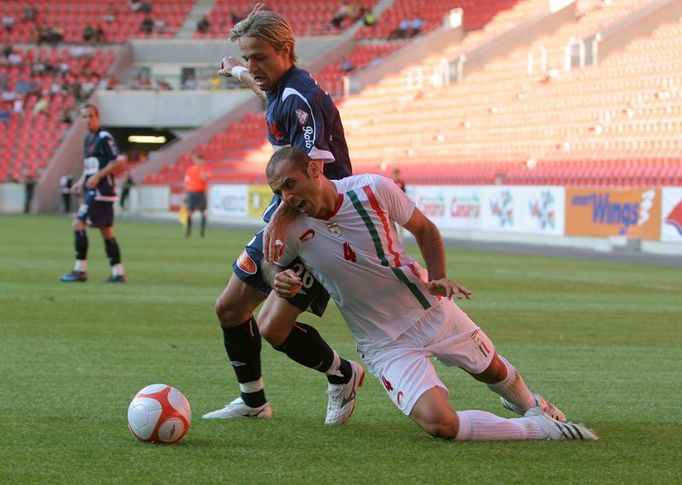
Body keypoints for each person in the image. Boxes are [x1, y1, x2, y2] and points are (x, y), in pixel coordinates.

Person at [267, 146, 598, 441]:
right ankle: (538, 429)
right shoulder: (290, 227)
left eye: (289, 184)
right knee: (441, 424)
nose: (286, 197)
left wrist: (438, 277)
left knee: (492, 370)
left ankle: (531, 404)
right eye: (278, 191)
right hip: (383, 344)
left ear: (314, 170)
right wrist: (278, 277)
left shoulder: (372, 189)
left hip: (429, 309)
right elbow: (269, 265)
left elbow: (424, 229)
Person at [205, 5, 362, 425]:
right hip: (293, 211)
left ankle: (343, 375)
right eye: (248, 56)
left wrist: (276, 227)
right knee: (231, 309)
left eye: (259, 57)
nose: (254, 65)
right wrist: (239, 72)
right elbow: (266, 92)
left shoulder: (301, 99)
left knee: (273, 329)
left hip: (319, 220)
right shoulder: (280, 87)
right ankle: (254, 404)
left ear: (286, 50)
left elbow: (312, 175)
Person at [59, 104, 127, 283]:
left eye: (90, 116)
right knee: (107, 232)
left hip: (101, 191)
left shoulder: (105, 137)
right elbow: (90, 166)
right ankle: (118, 273)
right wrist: (80, 182)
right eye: (84, 117)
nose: (88, 120)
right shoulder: (88, 139)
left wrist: (97, 176)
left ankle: (80, 270)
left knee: (78, 223)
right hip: (94, 190)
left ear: (98, 118)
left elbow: (117, 161)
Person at [183, 153, 210, 237]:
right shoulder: (189, 170)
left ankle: (202, 232)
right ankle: (188, 231)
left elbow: (204, 179)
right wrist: (185, 194)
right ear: (195, 160)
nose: (198, 161)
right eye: (197, 159)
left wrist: (201, 169)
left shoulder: (206, 169)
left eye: (200, 160)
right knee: (189, 212)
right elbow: (186, 182)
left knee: (203, 213)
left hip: (201, 193)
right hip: (191, 193)